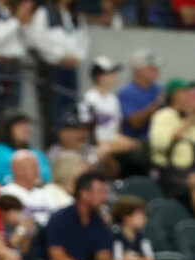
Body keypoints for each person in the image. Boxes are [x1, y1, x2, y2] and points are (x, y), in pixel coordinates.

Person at [43, 170, 113, 260]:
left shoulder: (99, 221)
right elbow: (57, 257)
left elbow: (103, 256)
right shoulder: (60, 218)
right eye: (100, 192)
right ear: (84, 194)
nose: (104, 198)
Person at [26, 0, 87, 125]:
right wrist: (58, 57)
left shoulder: (75, 15)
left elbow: (84, 41)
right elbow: (37, 39)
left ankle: (71, 132)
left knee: (71, 104)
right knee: (54, 107)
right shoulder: (44, 12)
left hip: (71, 67)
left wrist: (77, 57)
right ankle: (55, 139)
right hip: (53, 67)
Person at [148, 79, 195, 214]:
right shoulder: (163, 116)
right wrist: (188, 121)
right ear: (174, 95)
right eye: (184, 92)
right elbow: (160, 145)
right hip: (169, 170)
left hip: (190, 168)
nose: (189, 95)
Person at [83, 57, 137, 157]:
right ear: (99, 76)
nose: (114, 76)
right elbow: (88, 129)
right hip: (96, 143)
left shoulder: (113, 99)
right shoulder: (90, 98)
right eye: (110, 73)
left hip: (112, 139)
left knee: (136, 146)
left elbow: (117, 127)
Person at [0, 110, 51, 186]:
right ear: (8, 128)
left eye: (26, 124)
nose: (25, 128)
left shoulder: (36, 154)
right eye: (19, 124)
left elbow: (46, 177)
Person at [0, 149, 62, 226]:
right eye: (32, 166)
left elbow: (59, 218)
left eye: (37, 166)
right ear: (17, 169)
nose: (37, 171)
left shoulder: (45, 194)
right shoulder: (5, 193)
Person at [118, 49, 163, 141]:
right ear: (140, 69)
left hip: (159, 140)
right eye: (152, 68)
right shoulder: (126, 93)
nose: (157, 71)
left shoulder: (160, 88)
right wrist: (157, 103)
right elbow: (136, 124)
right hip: (137, 143)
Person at [109, 196, 154, 260]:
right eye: (140, 214)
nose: (144, 218)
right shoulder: (116, 239)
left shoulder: (143, 239)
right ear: (126, 219)